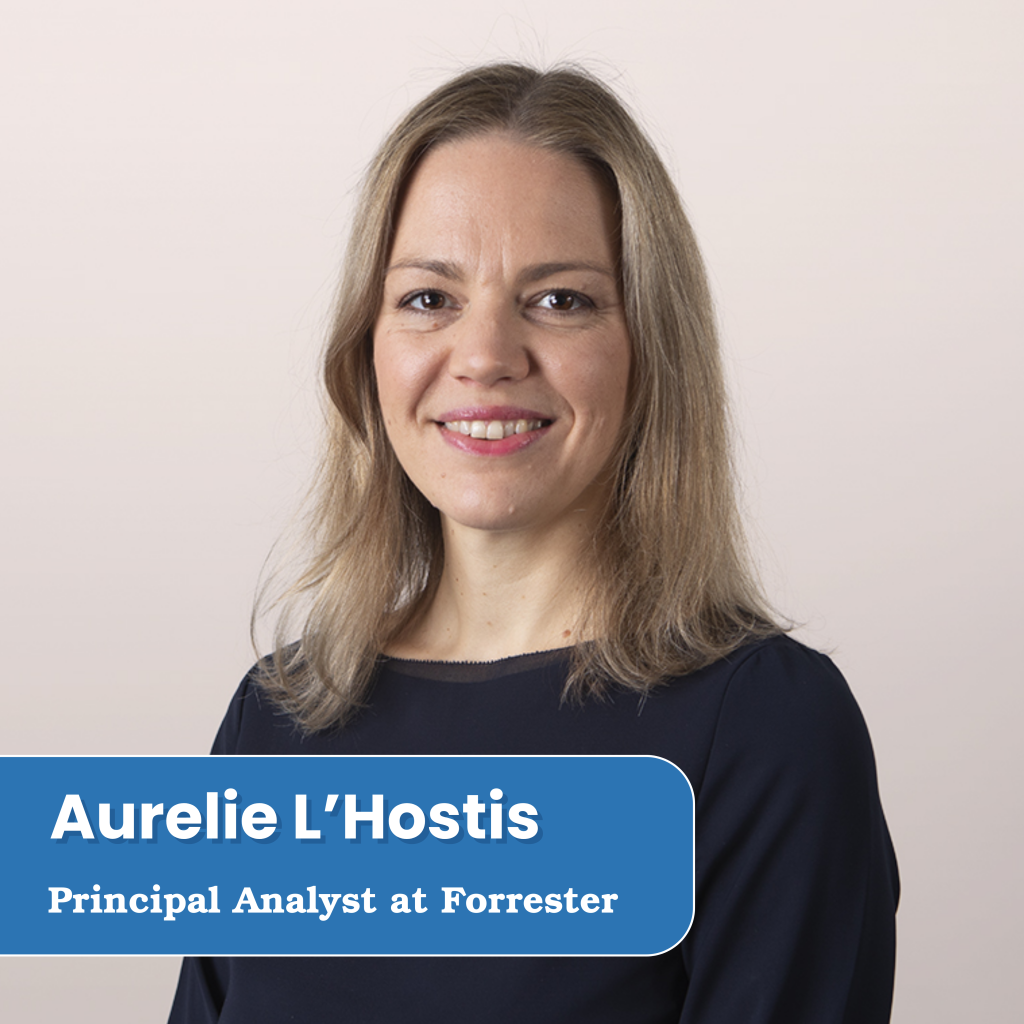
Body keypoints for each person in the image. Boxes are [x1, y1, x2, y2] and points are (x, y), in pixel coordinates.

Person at [169, 62, 898, 1023]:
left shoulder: (765, 728)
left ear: (651, 349)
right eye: (428, 298)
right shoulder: (277, 722)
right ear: (366, 347)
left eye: (559, 300)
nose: (484, 356)